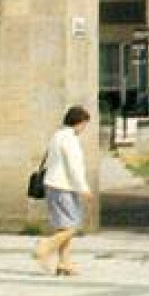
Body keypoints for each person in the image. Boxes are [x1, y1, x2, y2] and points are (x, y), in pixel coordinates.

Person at [33, 105, 95, 276]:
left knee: (63, 226)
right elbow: (74, 167)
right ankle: (45, 246)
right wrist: (84, 188)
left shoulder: (57, 136)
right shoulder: (70, 140)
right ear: (79, 122)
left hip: (52, 185)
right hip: (64, 187)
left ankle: (64, 263)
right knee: (72, 226)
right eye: (84, 124)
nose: (84, 129)